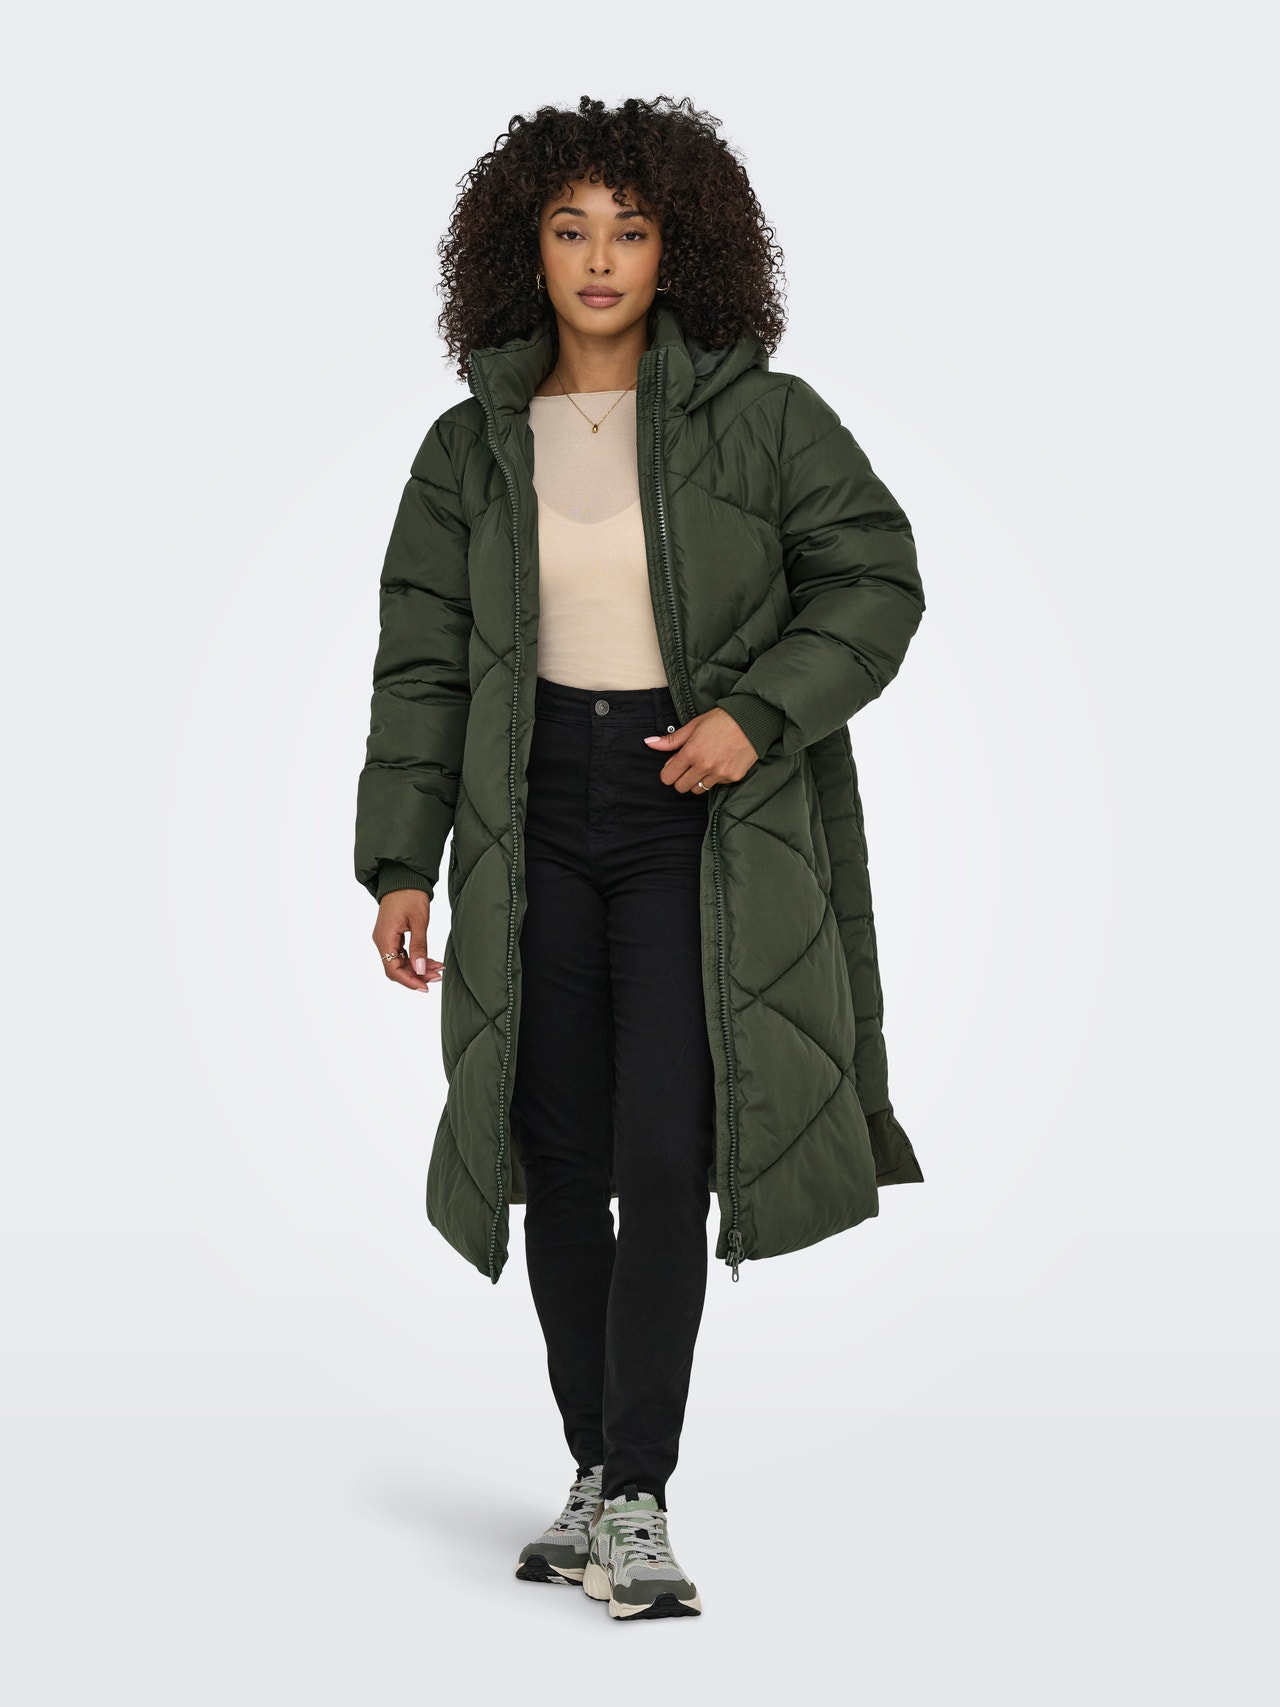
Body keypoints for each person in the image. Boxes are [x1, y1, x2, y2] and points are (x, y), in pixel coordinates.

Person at [353, 94, 926, 1622]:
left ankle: (641, 1495)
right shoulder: (466, 448)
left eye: (632, 228)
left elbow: (875, 580)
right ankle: (595, 1471)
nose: (601, 259)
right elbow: (423, 667)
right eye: (570, 229)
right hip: (531, 813)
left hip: (697, 818)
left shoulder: (768, 419)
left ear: (684, 247)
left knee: (670, 1152)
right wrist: (401, 862)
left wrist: (755, 715)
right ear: (523, 250)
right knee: (558, 1158)